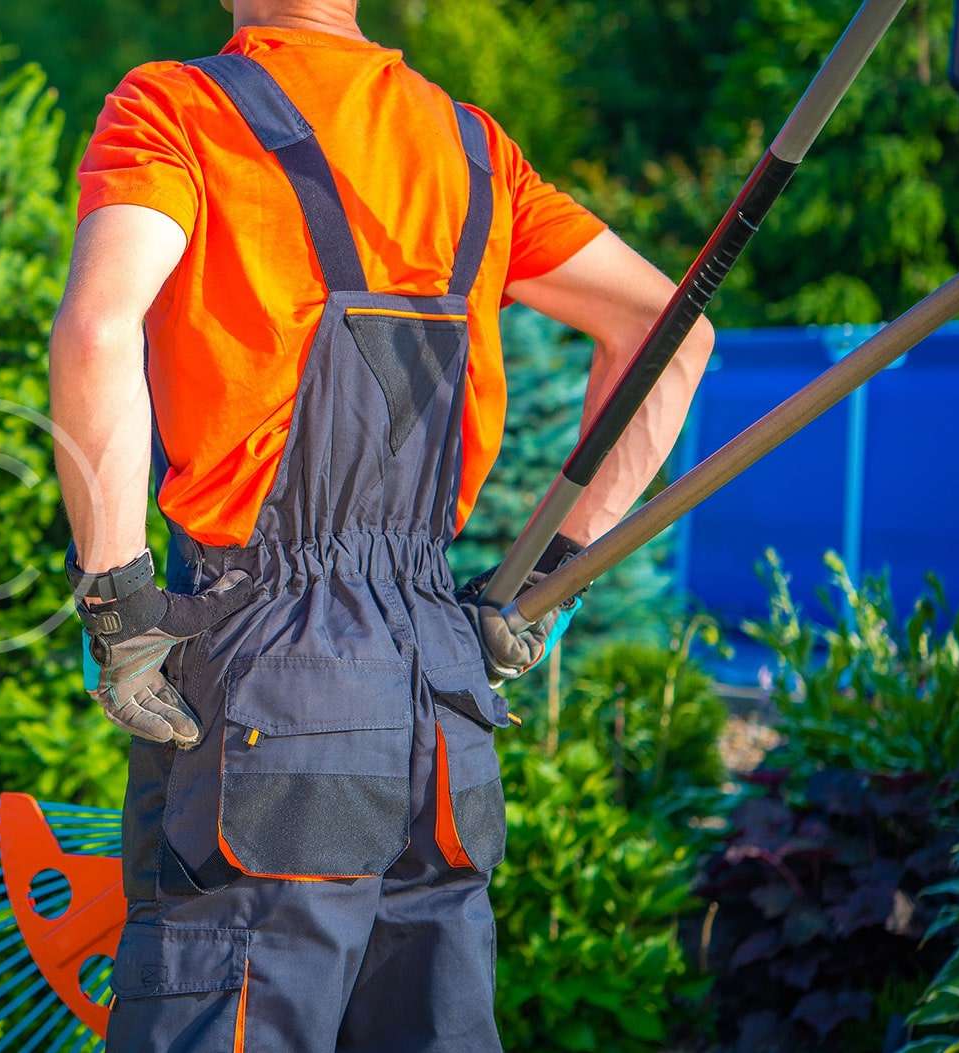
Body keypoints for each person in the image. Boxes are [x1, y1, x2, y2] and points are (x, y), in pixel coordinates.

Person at [47, 1, 715, 1050]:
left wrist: (118, 598)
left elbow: (97, 330)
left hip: (266, 671)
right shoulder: (471, 149)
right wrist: (556, 565)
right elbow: (667, 334)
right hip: (437, 693)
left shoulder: (177, 108)